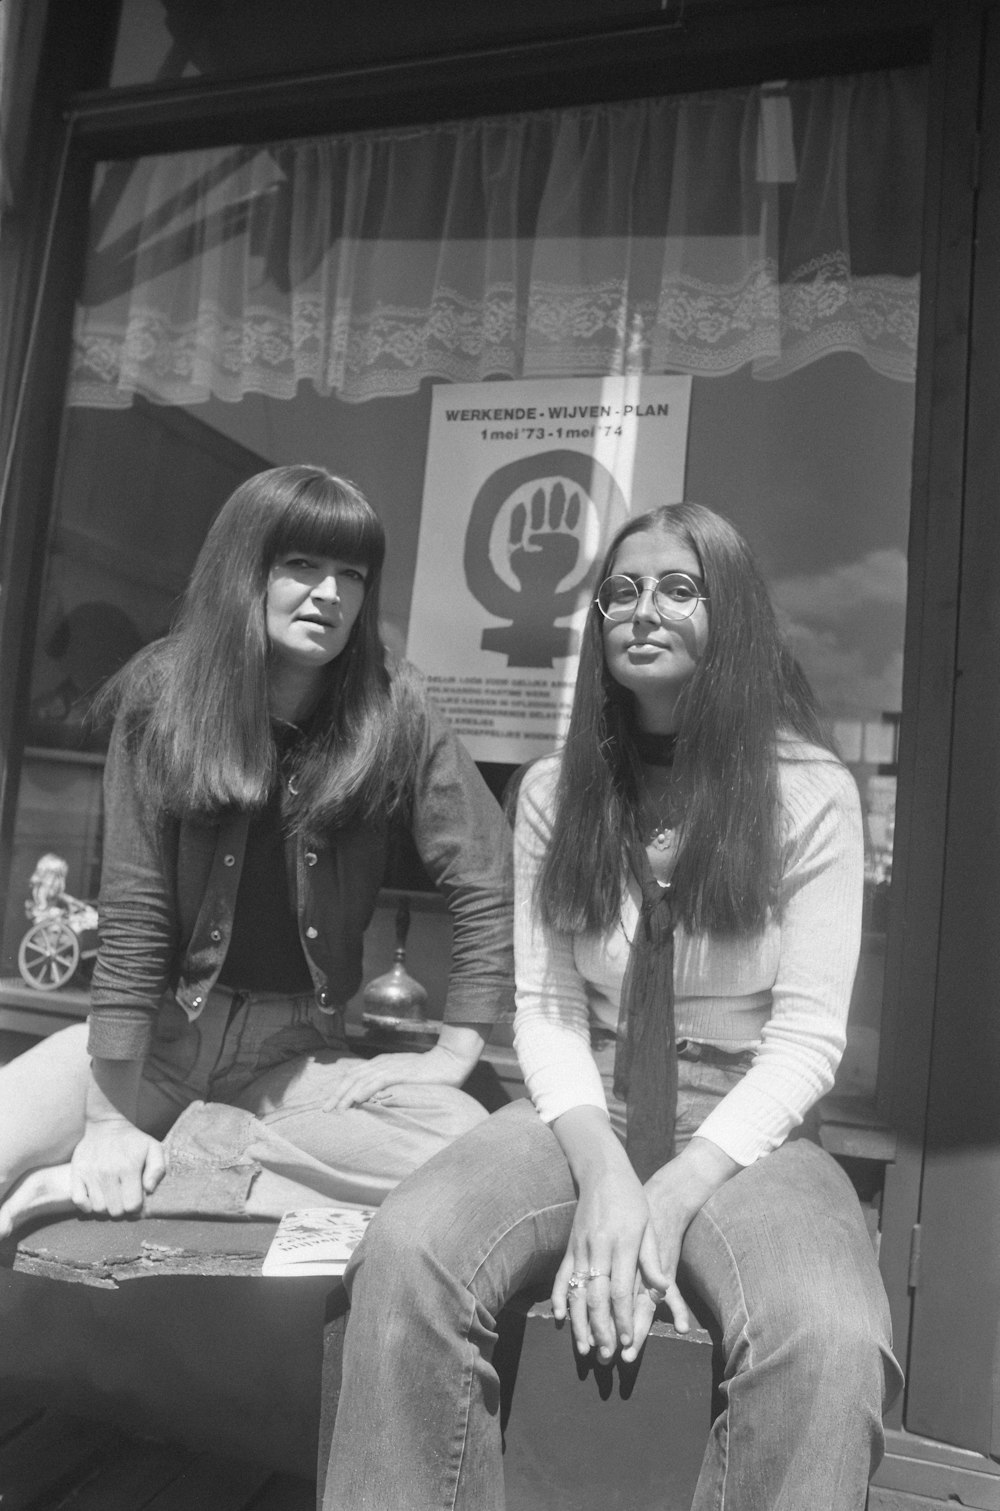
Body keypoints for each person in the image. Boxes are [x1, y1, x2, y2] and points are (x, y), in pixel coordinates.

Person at [324, 501, 903, 1511]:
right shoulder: (556, 790)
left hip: (744, 1124)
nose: (643, 610)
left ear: (732, 617)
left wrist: (670, 1192)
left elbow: (807, 1040)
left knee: (830, 1336)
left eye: (678, 588)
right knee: (410, 1245)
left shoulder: (809, 791)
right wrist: (602, 1173)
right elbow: (544, 1009)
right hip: (582, 1096)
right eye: (621, 593)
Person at [0, 464, 512, 1239]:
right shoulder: (163, 697)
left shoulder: (392, 706)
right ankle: (145, 1156)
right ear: (247, 570)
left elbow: (486, 873)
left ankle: (176, 1163)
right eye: (302, 565)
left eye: (352, 574)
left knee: (476, 1152)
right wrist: (106, 1119)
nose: (331, 594)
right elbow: (135, 913)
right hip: (159, 1043)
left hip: (294, 1059)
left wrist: (454, 1048)